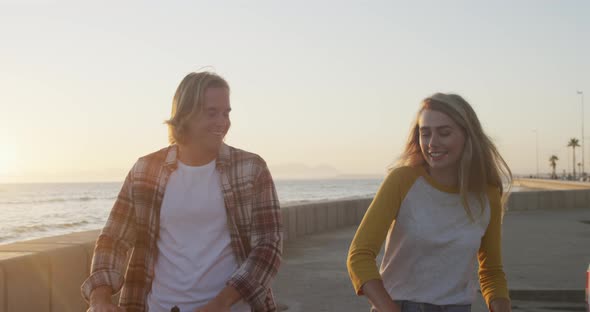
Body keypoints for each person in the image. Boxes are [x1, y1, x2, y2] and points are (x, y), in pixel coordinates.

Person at [81, 71, 283, 312]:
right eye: (211, 112)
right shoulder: (146, 171)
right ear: (185, 114)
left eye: (226, 113)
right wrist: (100, 299)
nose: (223, 122)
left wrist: (221, 303)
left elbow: (268, 247)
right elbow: (113, 239)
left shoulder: (251, 168)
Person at [347, 93, 512, 312]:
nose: (432, 143)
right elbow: (359, 256)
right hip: (398, 305)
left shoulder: (487, 196)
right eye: (425, 134)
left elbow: (491, 271)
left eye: (444, 133)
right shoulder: (402, 180)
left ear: (467, 135)